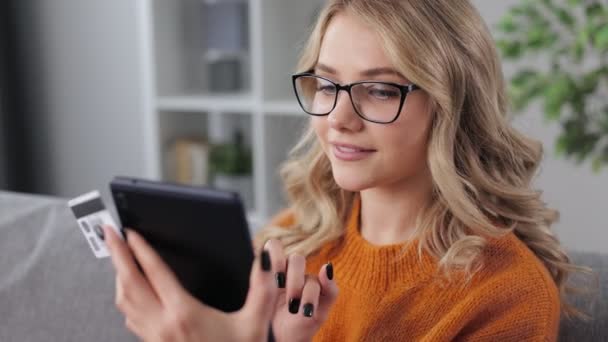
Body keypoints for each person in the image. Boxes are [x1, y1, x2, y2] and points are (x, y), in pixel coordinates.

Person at [105, 0, 592, 341]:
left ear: (451, 108)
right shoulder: (290, 243)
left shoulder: (506, 296)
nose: (338, 118)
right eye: (325, 84)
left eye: (379, 90)